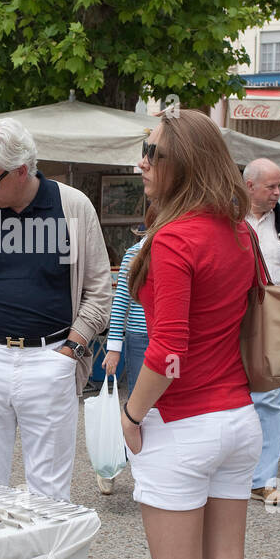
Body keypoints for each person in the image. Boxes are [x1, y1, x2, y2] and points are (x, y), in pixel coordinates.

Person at [116, 109, 263, 559]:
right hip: (236, 418)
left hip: (181, 426)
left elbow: (166, 354)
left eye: (153, 153)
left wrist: (131, 412)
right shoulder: (240, 231)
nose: (143, 163)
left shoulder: (174, 239)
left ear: (184, 162)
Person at [0, 117, 111, 501]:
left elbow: (100, 291)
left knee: (49, 496)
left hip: (51, 358)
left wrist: (71, 351)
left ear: (21, 170)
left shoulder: (72, 206)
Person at [243, 157, 280, 506]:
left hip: (270, 308)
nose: (278, 193)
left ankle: (262, 479)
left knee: (267, 397)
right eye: (271, 187)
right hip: (231, 310)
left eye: (279, 186)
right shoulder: (228, 214)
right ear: (250, 186)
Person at [99, 206, 156, 495]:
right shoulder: (135, 254)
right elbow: (120, 301)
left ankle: (151, 471)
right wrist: (114, 348)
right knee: (139, 407)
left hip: (169, 339)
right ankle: (110, 464)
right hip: (141, 338)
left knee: (163, 409)